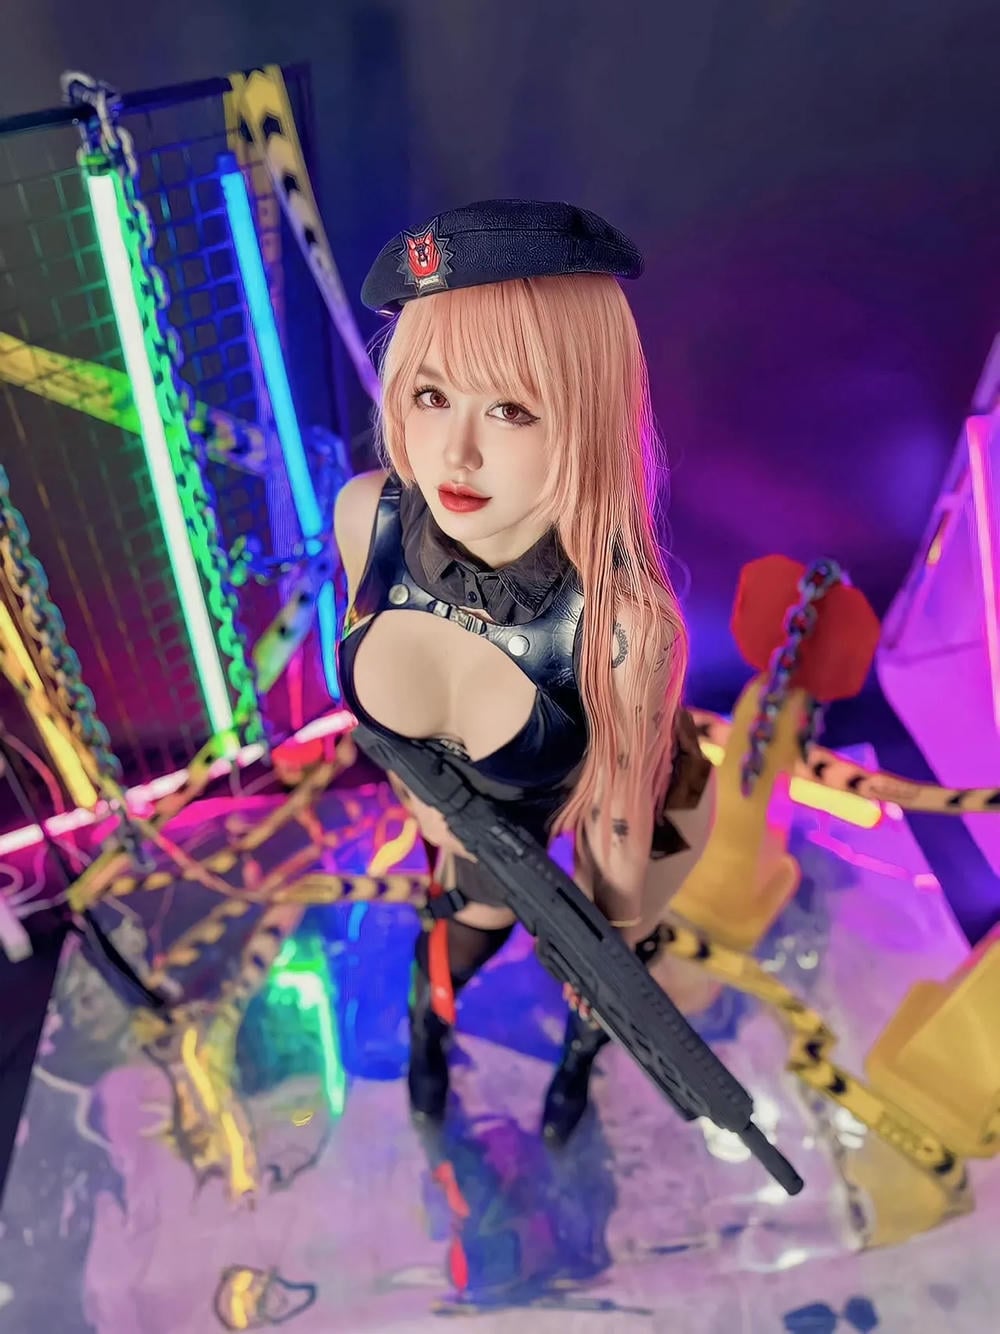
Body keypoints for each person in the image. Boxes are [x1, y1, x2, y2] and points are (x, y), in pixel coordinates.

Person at [334, 199, 715, 1145]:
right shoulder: (366, 516)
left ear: (585, 420)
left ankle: (579, 1061)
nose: (456, 452)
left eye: (509, 409)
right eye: (431, 396)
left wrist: (611, 941)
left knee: (601, 981)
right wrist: (433, 817)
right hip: (471, 823)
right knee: (457, 935)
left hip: (628, 806)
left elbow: (622, 815)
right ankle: (428, 1038)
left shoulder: (623, 627)